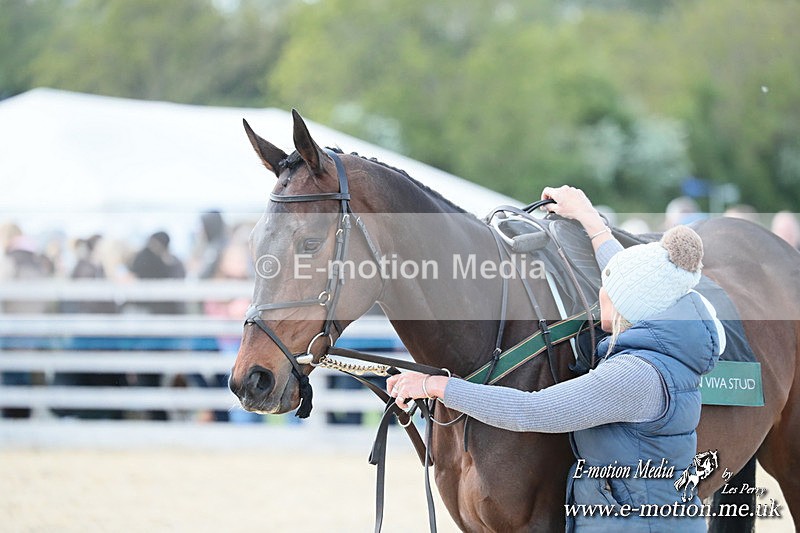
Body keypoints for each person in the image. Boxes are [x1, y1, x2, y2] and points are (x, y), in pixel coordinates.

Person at [387, 185, 724, 532]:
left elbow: (531, 411)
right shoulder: (661, 343)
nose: (600, 291)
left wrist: (437, 387)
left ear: (628, 306)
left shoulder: (634, 376)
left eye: (608, 289)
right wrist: (587, 217)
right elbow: (627, 277)